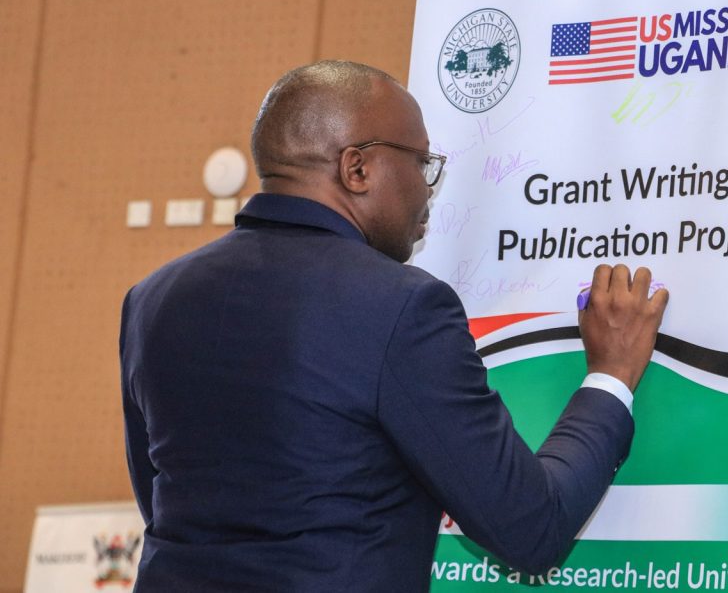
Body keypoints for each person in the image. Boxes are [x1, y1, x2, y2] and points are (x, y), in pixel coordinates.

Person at [120, 60, 669, 591]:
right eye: (422, 163)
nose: (428, 188)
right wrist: (611, 374)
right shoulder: (402, 307)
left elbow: (161, 500)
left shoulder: (151, 300)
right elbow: (529, 528)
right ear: (355, 168)